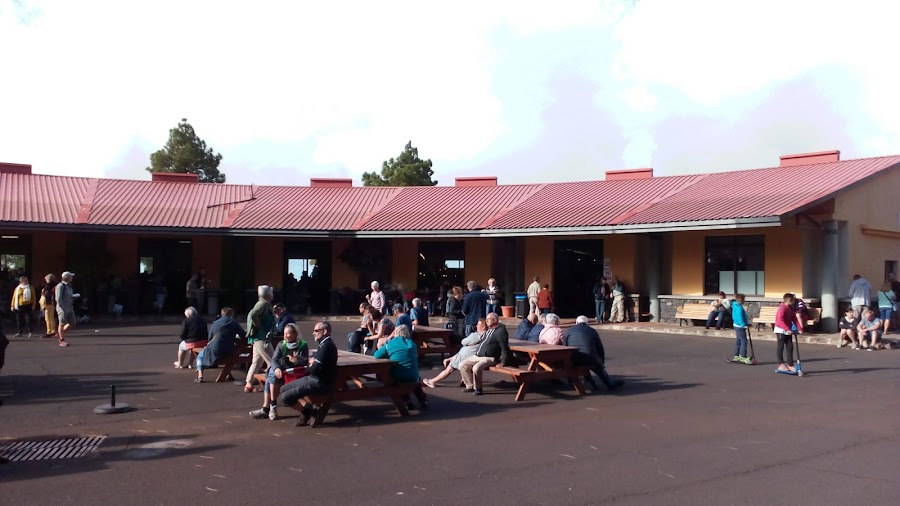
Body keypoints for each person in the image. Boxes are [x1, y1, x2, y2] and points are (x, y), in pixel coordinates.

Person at [277, 321, 338, 427]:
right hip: (313, 378)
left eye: (316, 331)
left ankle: (308, 412)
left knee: (285, 398)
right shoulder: (323, 344)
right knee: (283, 389)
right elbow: (312, 363)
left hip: (319, 382)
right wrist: (307, 361)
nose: (313, 333)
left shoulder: (327, 346)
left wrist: (311, 364)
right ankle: (309, 411)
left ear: (324, 331)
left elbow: (313, 369)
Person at [250, 323, 309, 420]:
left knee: (271, 377)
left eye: (288, 333)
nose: (285, 336)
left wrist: (295, 360)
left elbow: (305, 361)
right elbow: (274, 359)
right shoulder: (281, 344)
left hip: (295, 373)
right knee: (273, 373)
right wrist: (277, 368)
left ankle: (268, 408)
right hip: (281, 372)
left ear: (295, 334)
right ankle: (271, 406)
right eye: (284, 333)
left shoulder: (302, 345)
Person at [373, 325, 428, 410]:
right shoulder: (412, 344)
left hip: (398, 376)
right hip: (414, 376)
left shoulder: (391, 344)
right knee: (414, 379)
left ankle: (406, 401)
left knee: (397, 376)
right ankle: (423, 401)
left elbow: (376, 355)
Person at [564, 316, 624, 392]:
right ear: (587, 323)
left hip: (575, 358)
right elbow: (600, 348)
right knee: (599, 368)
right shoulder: (592, 331)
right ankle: (609, 384)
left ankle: (576, 382)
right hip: (590, 358)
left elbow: (565, 345)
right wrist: (601, 362)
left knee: (580, 364)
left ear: (576, 323)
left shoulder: (569, 331)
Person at [424, 319, 487, 388]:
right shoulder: (487, 335)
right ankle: (464, 381)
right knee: (464, 365)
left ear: (483, 327)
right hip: (473, 355)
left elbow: (463, 342)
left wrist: (468, 343)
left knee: (449, 368)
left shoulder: (475, 335)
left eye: (478, 324)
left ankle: (432, 381)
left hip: (465, 355)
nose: (476, 326)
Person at [459, 313, 510, 395]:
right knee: (462, 365)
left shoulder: (500, 332)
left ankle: (478, 388)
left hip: (489, 358)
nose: (486, 321)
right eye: (486, 319)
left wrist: (503, 362)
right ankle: (470, 386)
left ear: (495, 320)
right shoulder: (489, 330)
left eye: (488, 319)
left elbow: (504, 348)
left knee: (476, 368)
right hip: (477, 356)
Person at [196, 307, 246, 382]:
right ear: (231, 314)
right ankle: (228, 374)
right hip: (228, 350)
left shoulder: (215, 323)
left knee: (200, 355)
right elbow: (243, 335)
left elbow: (210, 337)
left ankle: (200, 376)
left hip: (214, 351)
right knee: (231, 356)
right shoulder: (233, 323)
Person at [244, 285, 275, 393]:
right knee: (273, 361)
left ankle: (248, 383)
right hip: (261, 337)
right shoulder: (263, 304)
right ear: (268, 295)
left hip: (258, 337)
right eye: (271, 293)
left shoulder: (263, 303)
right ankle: (273, 385)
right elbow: (253, 314)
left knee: (257, 362)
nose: (273, 295)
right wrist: (259, 326)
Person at [774, 293, 797, 373]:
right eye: (793, 300)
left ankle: (790, 365)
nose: (794, 301)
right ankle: (781, 365)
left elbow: (794, 318)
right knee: (780, 347)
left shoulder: (790, 308)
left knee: (790, 347)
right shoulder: (782, 308)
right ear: (789, 300)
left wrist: (799, 328)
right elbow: (780, 321)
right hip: (780, 330)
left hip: (788, 330)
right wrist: (787, 329)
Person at [54, 271, 77, 347]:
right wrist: (62, 307)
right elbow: (58, 298)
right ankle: (61, 340)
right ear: (66, 277)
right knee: (62, 323)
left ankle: (60, 333)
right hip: (63, 307)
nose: (72, 277)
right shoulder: (60, 286)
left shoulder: (69, 286)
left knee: (72, 322)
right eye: (70, 276)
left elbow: (69, 296)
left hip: (69, 306)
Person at [730, 294, 751, 363]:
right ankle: (742, 356)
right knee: (744, 341)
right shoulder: (738, 307)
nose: (744, 300)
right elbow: (739, 317)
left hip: (736, 325)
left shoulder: (735, 305)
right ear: (741, 300)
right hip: (739, 326)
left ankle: (736, 356)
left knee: (738, 341)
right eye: (744, 299)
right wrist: (743, 325)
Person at [40, 274, 58, 338]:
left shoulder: (48, 286)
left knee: (48, 318)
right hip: (52, 303)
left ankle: (49, 331)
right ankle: (52, 331)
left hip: (48, 302)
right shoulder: (55, 285)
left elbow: (47, 294)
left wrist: (43, 292)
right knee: (51, 318)